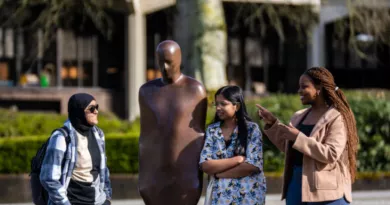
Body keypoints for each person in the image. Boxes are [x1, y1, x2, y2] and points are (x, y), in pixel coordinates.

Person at [257, 67, 358, 205]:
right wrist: (273, 124)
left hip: (327, 190)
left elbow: (331, 153)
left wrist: (299, 137)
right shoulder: (298, 117)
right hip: (296, 186)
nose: (299, 91)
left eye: (304, 87)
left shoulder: (337, 117)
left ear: (319, 89)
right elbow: (288, 148)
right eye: (299, 87)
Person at [138, 40, 208, 205]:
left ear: (179, 60)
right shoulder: (146, 91)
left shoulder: (195, 89)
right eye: (161, 62)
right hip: (155, 171)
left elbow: (199, 132)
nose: (165, 67)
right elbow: (145, 135)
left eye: (169, 62)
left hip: (185, 169)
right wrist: (144, 175)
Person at [40, 93, 112, 205]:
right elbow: (49, 178)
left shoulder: (99, 134)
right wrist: (64, 203)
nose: (96, 112)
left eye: (96, 107)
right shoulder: (61, 137)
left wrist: (107, 198)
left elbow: (103, 169)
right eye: (91, 109)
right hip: (73, 201)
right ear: (79, 111)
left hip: (98, 201)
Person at [200, 85, 266, 205]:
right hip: (220, 199)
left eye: (223, 104)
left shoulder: (251, 129)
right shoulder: (212, 130)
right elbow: (205, 165)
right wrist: (237, 159)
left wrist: (218, 174)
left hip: (249, 198)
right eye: (216, 104)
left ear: (237, 106)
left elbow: (253, 165)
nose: (218, 108)